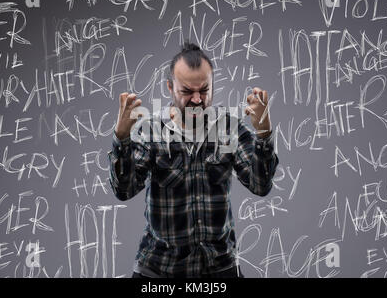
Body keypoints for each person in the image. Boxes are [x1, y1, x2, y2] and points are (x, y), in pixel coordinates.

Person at [108, 42, 279, 278]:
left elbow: (260, 186)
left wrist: (263, 134)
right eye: (187, 91)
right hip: (160, 270)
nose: (197, 99)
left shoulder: (227, 128)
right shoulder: (151, 130)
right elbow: (124, 191)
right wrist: (122, 138)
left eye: (204, 90)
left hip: (220, 268)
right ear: (170, 87)